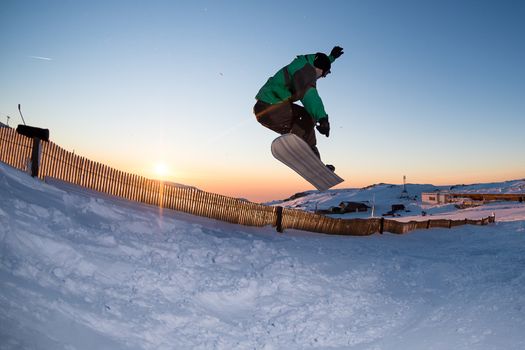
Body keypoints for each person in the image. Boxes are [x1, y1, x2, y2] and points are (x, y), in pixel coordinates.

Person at [253, 46, 344, 170]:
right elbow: (309, 95)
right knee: (307, 118)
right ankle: (299, 146)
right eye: (325, 74)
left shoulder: (305, 65)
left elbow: (320, 61)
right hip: (272, 108)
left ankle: (314, 161)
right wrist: (322, 118)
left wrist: (331, 57)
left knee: (307, 121)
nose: (323, 77)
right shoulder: (305, 73)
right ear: (319, 69)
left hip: (267, 110)